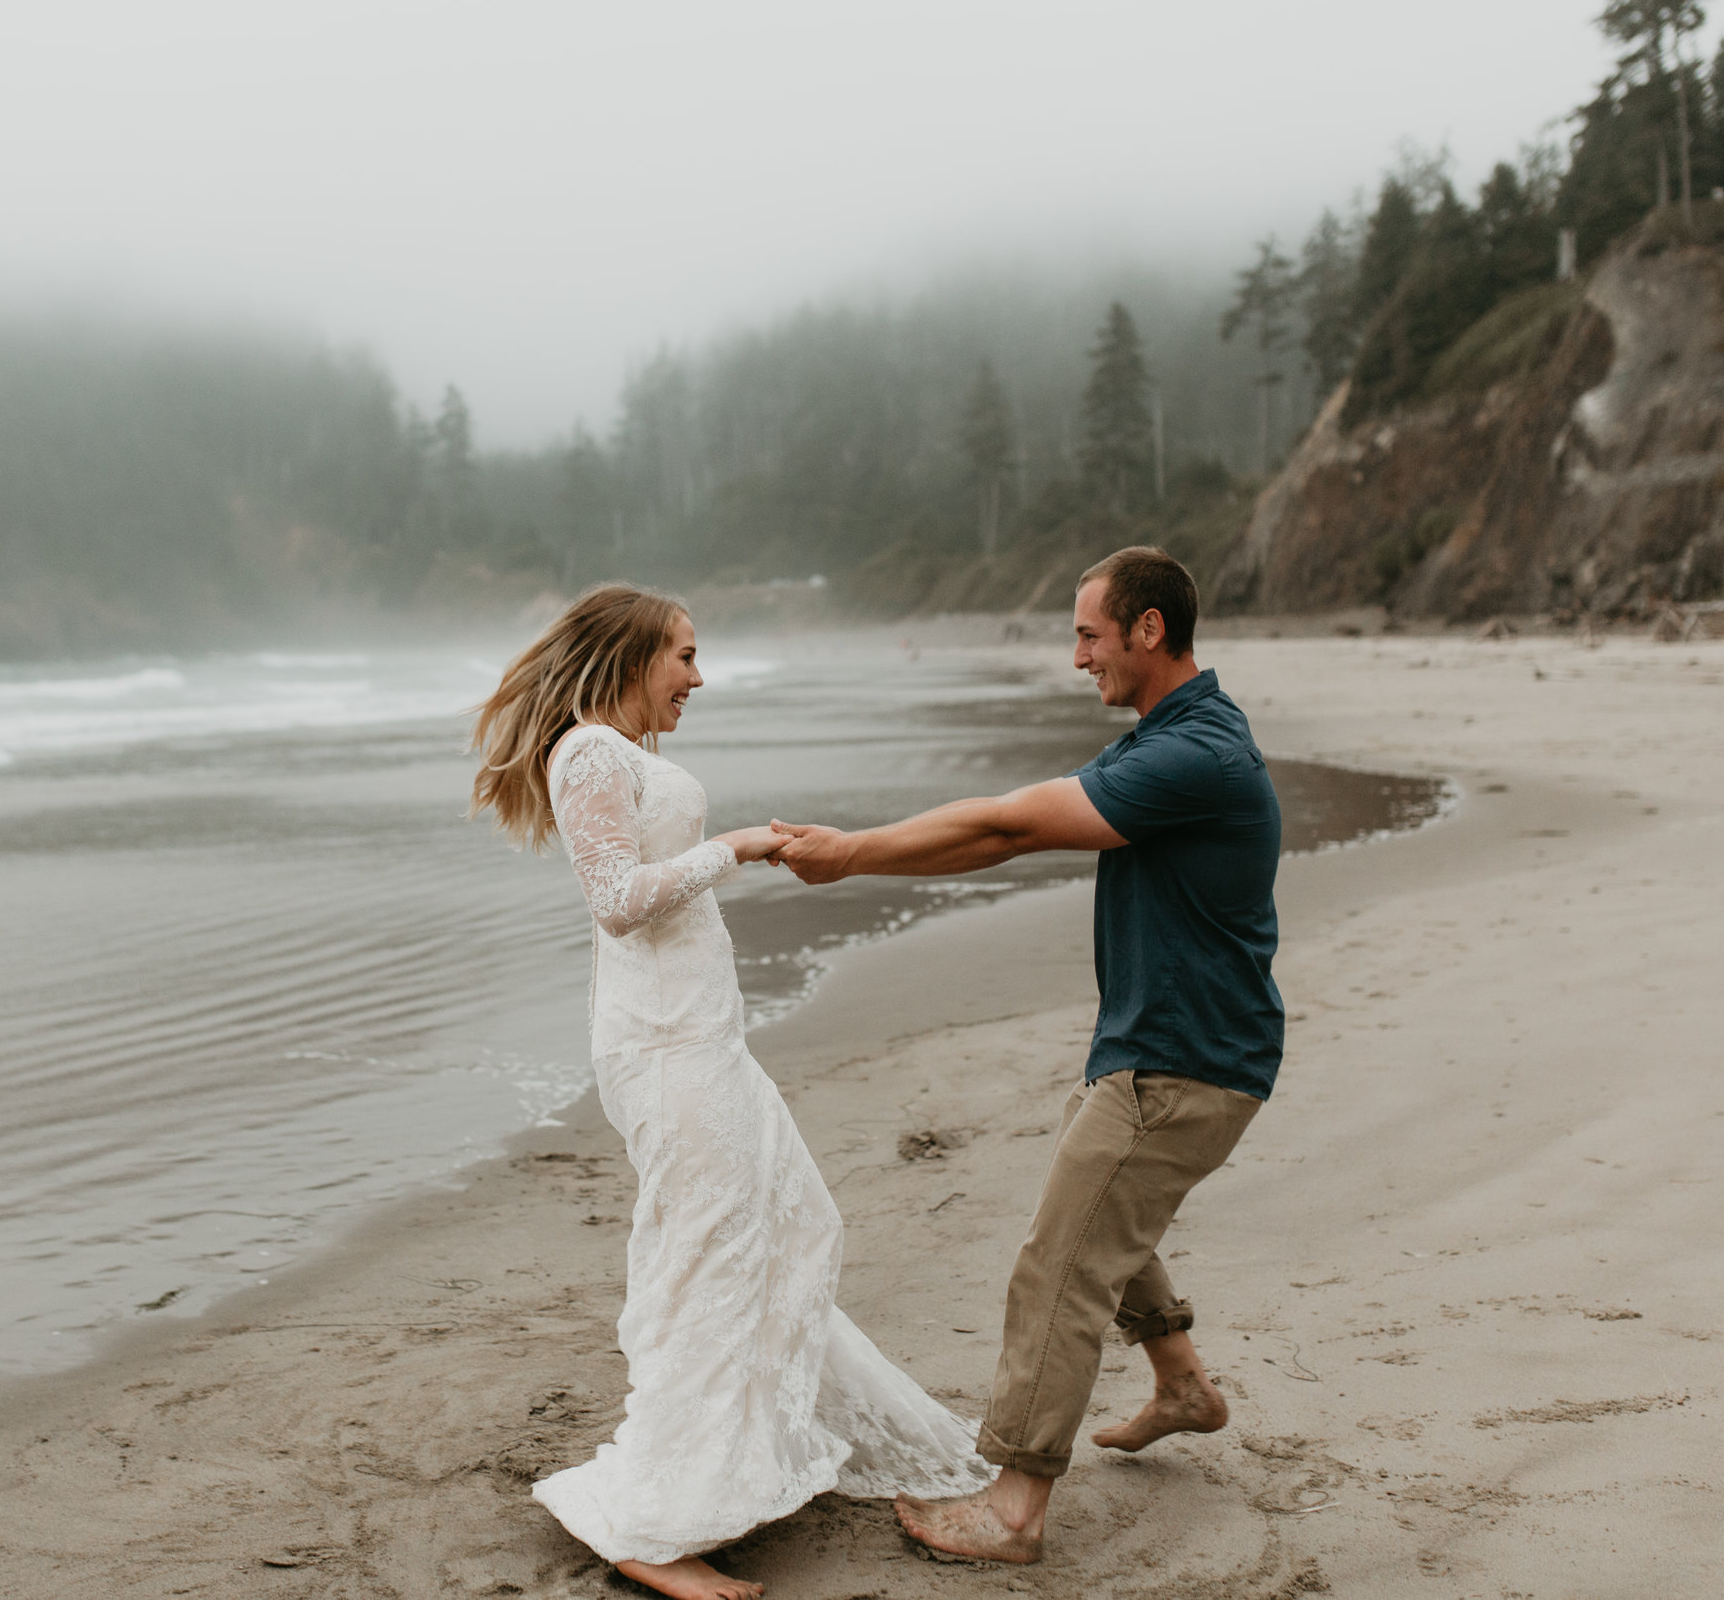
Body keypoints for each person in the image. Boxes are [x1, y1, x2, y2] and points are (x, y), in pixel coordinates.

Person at [470, 583, 994, 1600]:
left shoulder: (623, 753)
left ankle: (756, 1445)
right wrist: (739, 846)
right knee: (704, 1251)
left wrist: (731, 850)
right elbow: (617, 901)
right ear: (630, 656)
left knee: (793, 1226)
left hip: (703, 1035)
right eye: (684, 657)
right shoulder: (585, 752)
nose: (697, 678)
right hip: (663, 1048)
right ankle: (655, 1522)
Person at [770, 546, 1282, 1566]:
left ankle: (1013, 1509)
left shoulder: (1192, 758)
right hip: (1177, 1045)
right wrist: (856, 856)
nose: (1076, 657)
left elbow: (1007, 823)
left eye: (1088, 634)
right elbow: (1003, 839)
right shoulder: (1177, 739)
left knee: (1058, 1267)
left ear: (1147, 630)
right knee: (1102, 1213)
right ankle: (1181, 1382)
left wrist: (852, 848)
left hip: (1182, 1060)